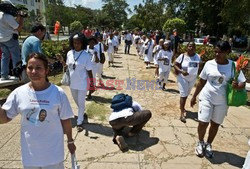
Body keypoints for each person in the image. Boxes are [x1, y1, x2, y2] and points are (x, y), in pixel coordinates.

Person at [0, 52, 76, 168]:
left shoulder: (58, 93)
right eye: (30, 68)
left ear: (46, 70)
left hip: (53, 155)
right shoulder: (19, 93)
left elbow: (65, 120)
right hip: (30, 156)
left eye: (38, 68)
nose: (34, 72)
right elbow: (4, 118)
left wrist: (70, 141)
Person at [190, 41, 246, 158]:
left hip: (222, 101)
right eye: (215, 52)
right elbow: (201, 81)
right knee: (203, 122)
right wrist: (194, 96)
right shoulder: (209, 64)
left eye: (220, 52)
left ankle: (208, 144)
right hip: (207, 97)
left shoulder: (234, 66)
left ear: (227, 52)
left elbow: (243, 83)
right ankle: (200, 142)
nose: (216, 54)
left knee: (215, 124)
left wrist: (238, 86)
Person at [63, 32, 95, 132]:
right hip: (72, 83)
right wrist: (61, 60)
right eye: (74, 42)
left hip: (82, 84)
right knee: (77, 102)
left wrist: (92, 84)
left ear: (82, 43)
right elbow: (67, 66)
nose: (76, 44)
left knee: (81, 103)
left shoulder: (86, 56)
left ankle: (79, 122)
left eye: (78, 42)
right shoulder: (69, 53)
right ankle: (82, 112)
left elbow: (89, 71)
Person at [174, 42, 201, 123]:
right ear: (187, 47)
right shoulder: (182, 56)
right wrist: (181, 71)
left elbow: (200, 66)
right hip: (183, 78)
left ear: (195, 48)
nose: (191, 48)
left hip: (192, 79)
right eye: (189, 46)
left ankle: (182, 107)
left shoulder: (198, 57)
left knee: (187, 94)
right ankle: (182, 113)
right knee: (183, 94)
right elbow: (175, 64)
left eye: (193, 46)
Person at [0, 0, 24, 80]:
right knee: (15, 56)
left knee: (5, 56)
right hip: (10, 38)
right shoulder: (8, 16)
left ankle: (4, 75)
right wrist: (21, 18)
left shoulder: (0, 15)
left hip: (1, 39)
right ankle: (17, 74)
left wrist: (18, 17)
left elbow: (12, 24)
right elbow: (18, 28)